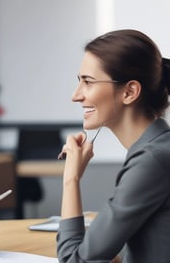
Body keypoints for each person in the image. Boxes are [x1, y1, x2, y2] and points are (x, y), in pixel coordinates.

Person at [57, 29, 170, 262]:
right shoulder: (158, 149)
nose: (75, 95)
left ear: (129, 92)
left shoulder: (152, 161)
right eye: (79, 81)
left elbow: (74, 260)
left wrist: (71, 178)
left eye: (88, 82)